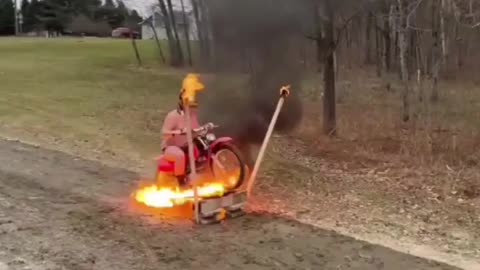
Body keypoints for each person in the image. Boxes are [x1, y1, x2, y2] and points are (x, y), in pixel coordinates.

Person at [160, 74, 206, 184]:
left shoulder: (192, 115)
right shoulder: (173, 115)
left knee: (202, 150)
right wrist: (178, 132)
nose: (191, 107)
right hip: (171, 147)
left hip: (187, 146)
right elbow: (164, 132)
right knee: (180, 156)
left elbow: (196, 129)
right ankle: (181, 182)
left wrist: (202, 131)